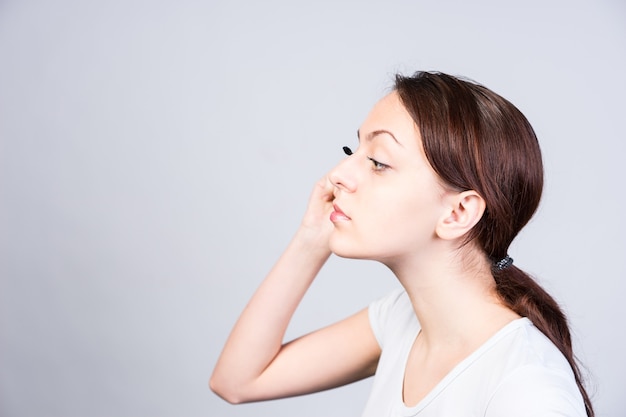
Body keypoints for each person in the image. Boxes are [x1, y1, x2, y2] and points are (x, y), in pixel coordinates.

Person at [209, 71, 594, 416]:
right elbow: (238, 381)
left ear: (458, 213)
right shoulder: (402, 320)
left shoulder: (528, 391)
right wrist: (312, 239)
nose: (338, 174)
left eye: (378, 161)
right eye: (351, 151)